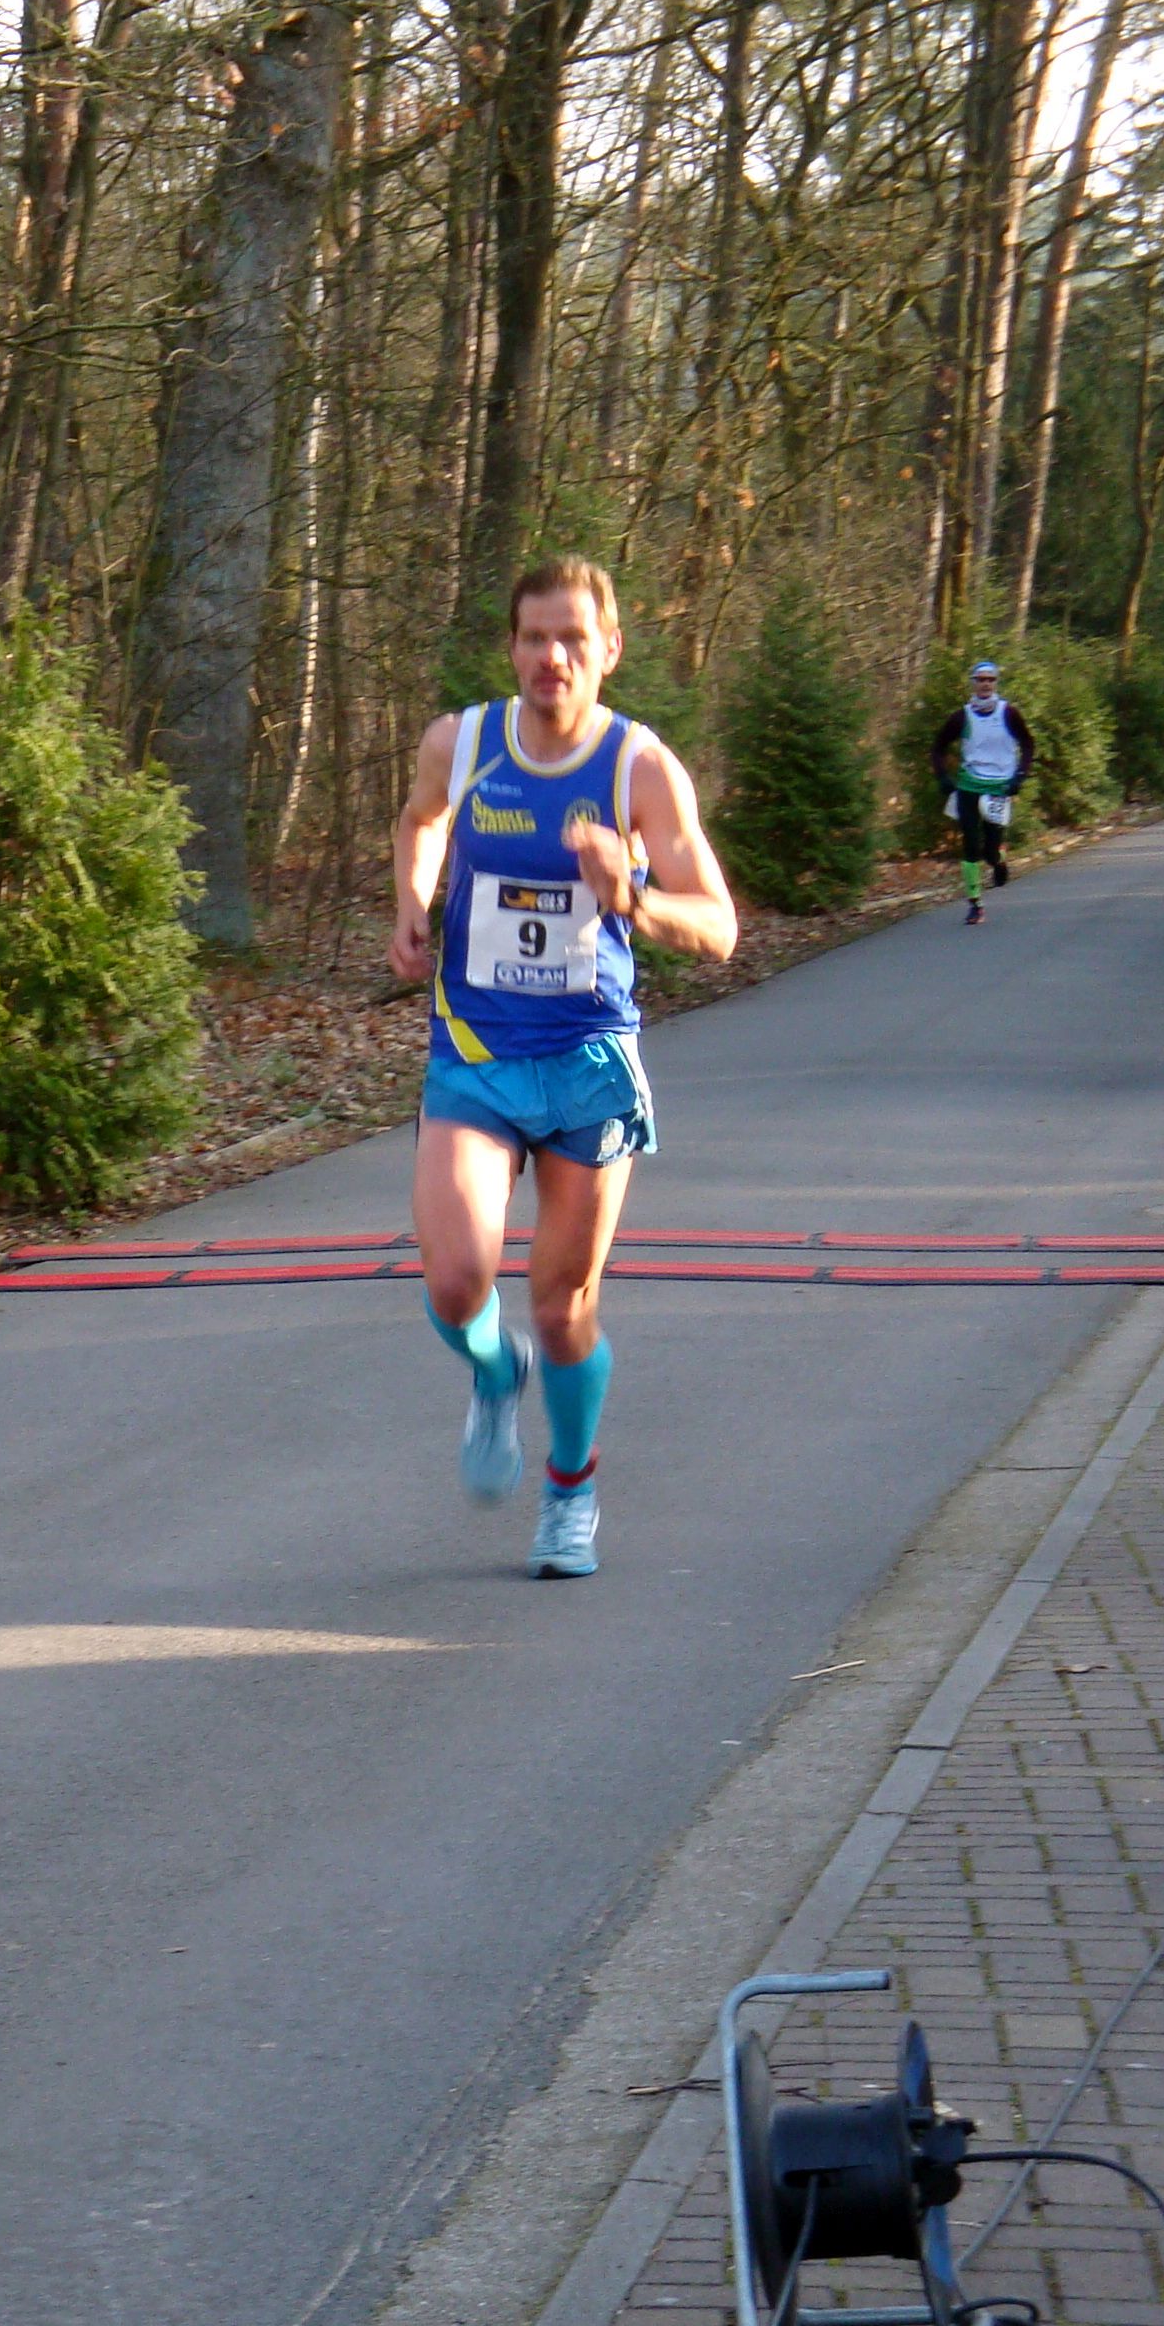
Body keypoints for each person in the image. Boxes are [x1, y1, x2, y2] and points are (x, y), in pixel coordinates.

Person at [390, 558, 738, 1581]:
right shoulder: (462, 745)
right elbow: (421, 821)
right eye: (536, 637)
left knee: (561, 1307)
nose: (553, 657)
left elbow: (719, 927)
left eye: (574, 639)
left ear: (609, 650)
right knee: (458, 1281)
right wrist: (411, 902)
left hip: (588, 1064)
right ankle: (494, 1373)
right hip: (477, 1051)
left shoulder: (639, 769)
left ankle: (570, 1489)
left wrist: (633, 896)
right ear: (512, 648)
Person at [931, 660, 1035, 926]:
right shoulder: (962, 716)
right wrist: (943, 776)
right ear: (973, 683)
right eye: (981, 679)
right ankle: (975, 904)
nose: (986, 684)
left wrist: (1020, 775)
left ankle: (998, 860)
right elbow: (938, 747)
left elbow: (1028, 743)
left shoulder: (1008, 713)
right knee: (970, 843)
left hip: (999, 787)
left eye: (990, 679)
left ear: (996, 683)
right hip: (969, 785)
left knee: (989, 850)